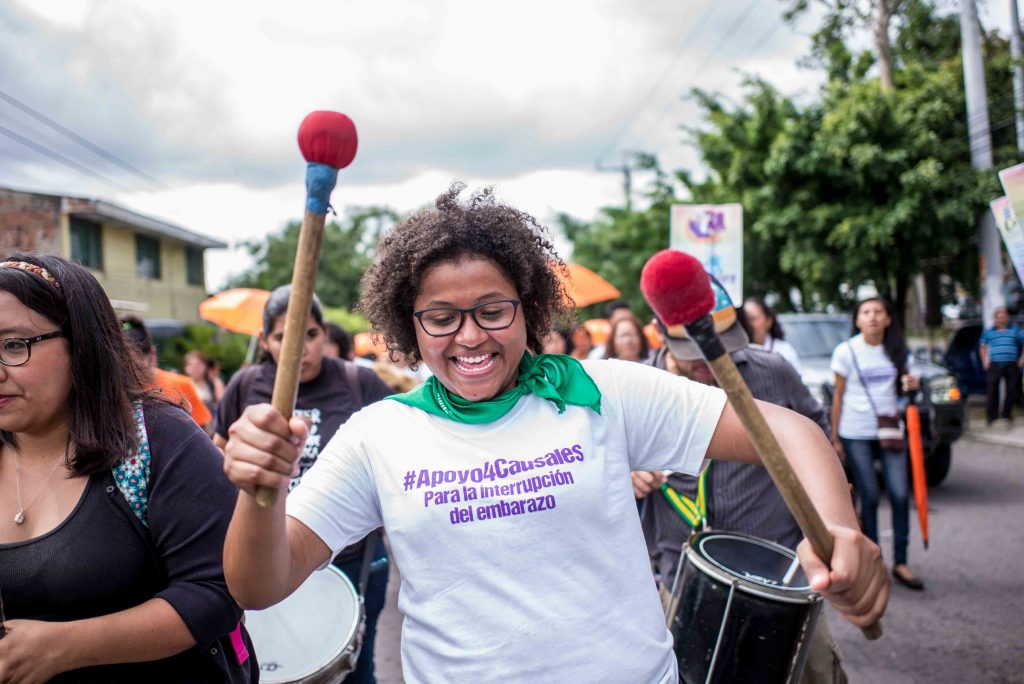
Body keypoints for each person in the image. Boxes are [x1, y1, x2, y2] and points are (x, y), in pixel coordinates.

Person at [220, 185, 888, 684]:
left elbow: (792, 433)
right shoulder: (378, 434)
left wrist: (839, 529)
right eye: (441, 318)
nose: (471, 335)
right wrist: (261, 493)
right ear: (408, 325)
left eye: (492, 310)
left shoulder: (607, 391)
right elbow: (260, 585)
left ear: (530, 306)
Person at [0, 254, 257, 682]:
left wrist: (64, 647)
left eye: (13, 345)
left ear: (81, 343)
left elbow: (217, 590)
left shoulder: (157, 440)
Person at [632, 278, 846, 683]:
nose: (709, 364)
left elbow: (817, 434)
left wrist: (830, 501)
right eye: (693, 355)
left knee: (817, 672)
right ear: (659, 333)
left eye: (719, 349)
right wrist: (629, 472)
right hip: (682, 578)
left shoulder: (773, 372)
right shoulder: (636, 389)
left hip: (781, 575)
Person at [214, 285, 393, 684]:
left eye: (310, 335)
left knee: (356, 667)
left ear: (325, 334)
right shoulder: (245, 385)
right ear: (265, 341)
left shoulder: (357, 382)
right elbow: (219, 457)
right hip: (270, 555)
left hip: (353, 560)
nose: (302, 348)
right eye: (284, 337)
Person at [830, 296, 923, 591]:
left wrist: (912, 386)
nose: (872, 317)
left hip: (890, 430)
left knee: (898, 494)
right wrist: (834, 437)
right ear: (857, 320)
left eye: (878, 312)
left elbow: (910, 387)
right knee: (868, 495)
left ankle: (901, 561)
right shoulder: (846, 352)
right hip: (855, 430)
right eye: (865, 312)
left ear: (888, 318)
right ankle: (874, 561)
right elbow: (838, 396)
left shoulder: (898, 351)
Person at [121, 316, 213, 433]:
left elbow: (203, 430)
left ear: (152, 354)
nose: (131, 376)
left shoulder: (181, 385)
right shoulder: (118, 391)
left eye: (138, 368)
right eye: (124, 370)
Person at [979, 306, 1024, 425]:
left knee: (1012, 390)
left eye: (1003, 317)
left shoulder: (1015, 329)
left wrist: (1022, 358)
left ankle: (1007, 414)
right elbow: (982, 346)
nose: (1002, 320)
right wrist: (985, 360)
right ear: (995, 319)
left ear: (1007, 318)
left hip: (1012, 364)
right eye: (999, 318)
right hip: (995, 364)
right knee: (992, 390)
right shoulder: (989, 331)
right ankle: (992, 416)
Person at [743, 296, 802, 374]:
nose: (748, 324)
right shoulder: (739, 353)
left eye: (752, 319)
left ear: (768, 321)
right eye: (744, 320)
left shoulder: (784, 352)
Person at [183, 350, 225, 417]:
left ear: (205, 366)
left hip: (210, 421)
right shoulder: (181, 384)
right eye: (191, 365)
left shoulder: (214, 383)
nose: (195, 368)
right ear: (185, 368)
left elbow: (223, 405)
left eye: (198, 364)